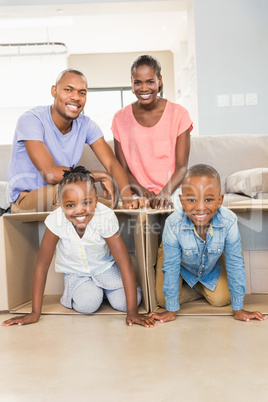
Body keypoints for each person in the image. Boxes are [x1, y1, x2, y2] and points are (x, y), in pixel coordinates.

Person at [2, 166, 156, 328]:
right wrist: (35, 312)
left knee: (125, 303)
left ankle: (108, 291)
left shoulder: (105, 216)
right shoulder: (56, 220)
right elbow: (41, 266)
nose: (79, 211)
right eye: (70, 205)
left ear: (96, 201)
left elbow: (125, 263)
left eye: (87, 203)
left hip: (105, 268)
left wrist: (132, 312)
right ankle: (95, 292)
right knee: (88, 303)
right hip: (76, 274)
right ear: (61, 205)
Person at [8, 69, 141, 213]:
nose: (76, 97)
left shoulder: (86, 125)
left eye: (82, 93)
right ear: (54, 91)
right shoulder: (31, 120)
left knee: (112, 207)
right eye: (68, 90)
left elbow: (112, 163)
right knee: (70, 191)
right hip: (26, 200)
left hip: (70, 195)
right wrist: (100, 175)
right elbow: (50, 174)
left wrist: (128, 200)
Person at [149, 164, 266, 323]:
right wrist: (171, 310)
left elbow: (235, 262)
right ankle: (194, 284)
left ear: (220, 201)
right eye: (191, 200)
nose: (200, 207)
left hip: (209, 263)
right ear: (182, 201)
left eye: (209, 199)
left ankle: (196, 285)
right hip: (177, 261)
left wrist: (238, 309)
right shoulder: (173, 224)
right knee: (163, 301)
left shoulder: (228, 221)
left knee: (222, 299)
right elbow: (171, 266)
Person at [112, 54, 192, 210]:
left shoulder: (179, 114)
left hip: (173, 190)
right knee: (142, 220)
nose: (144, 88)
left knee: (173, 216)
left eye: (150, 81)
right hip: (137, 191)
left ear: (159, 80)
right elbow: (123, 170)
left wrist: (165, 193)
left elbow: (182, 167)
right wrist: (142, 191)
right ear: (132, 83)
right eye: (138, 82)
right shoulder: (119, 119)